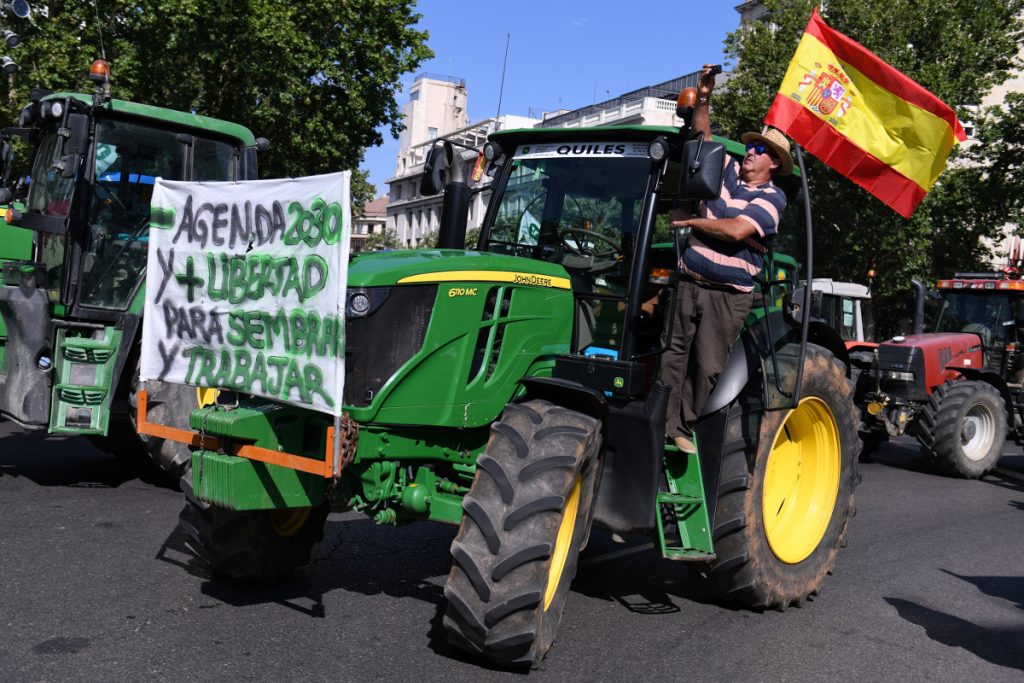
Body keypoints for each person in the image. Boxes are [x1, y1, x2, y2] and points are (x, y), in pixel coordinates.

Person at [659, 64, 793, 454]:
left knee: (708, 367)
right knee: (672, 355)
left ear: (774, 164)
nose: (752, 151)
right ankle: (662, 424)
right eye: (752, 146)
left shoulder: (773, 199)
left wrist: (690, 222)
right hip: (689, 282)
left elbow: (736, 230)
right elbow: (702, 136)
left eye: (762, 150)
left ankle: (682, 424)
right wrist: (704, 95)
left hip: (727, 296)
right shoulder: (728, 172)